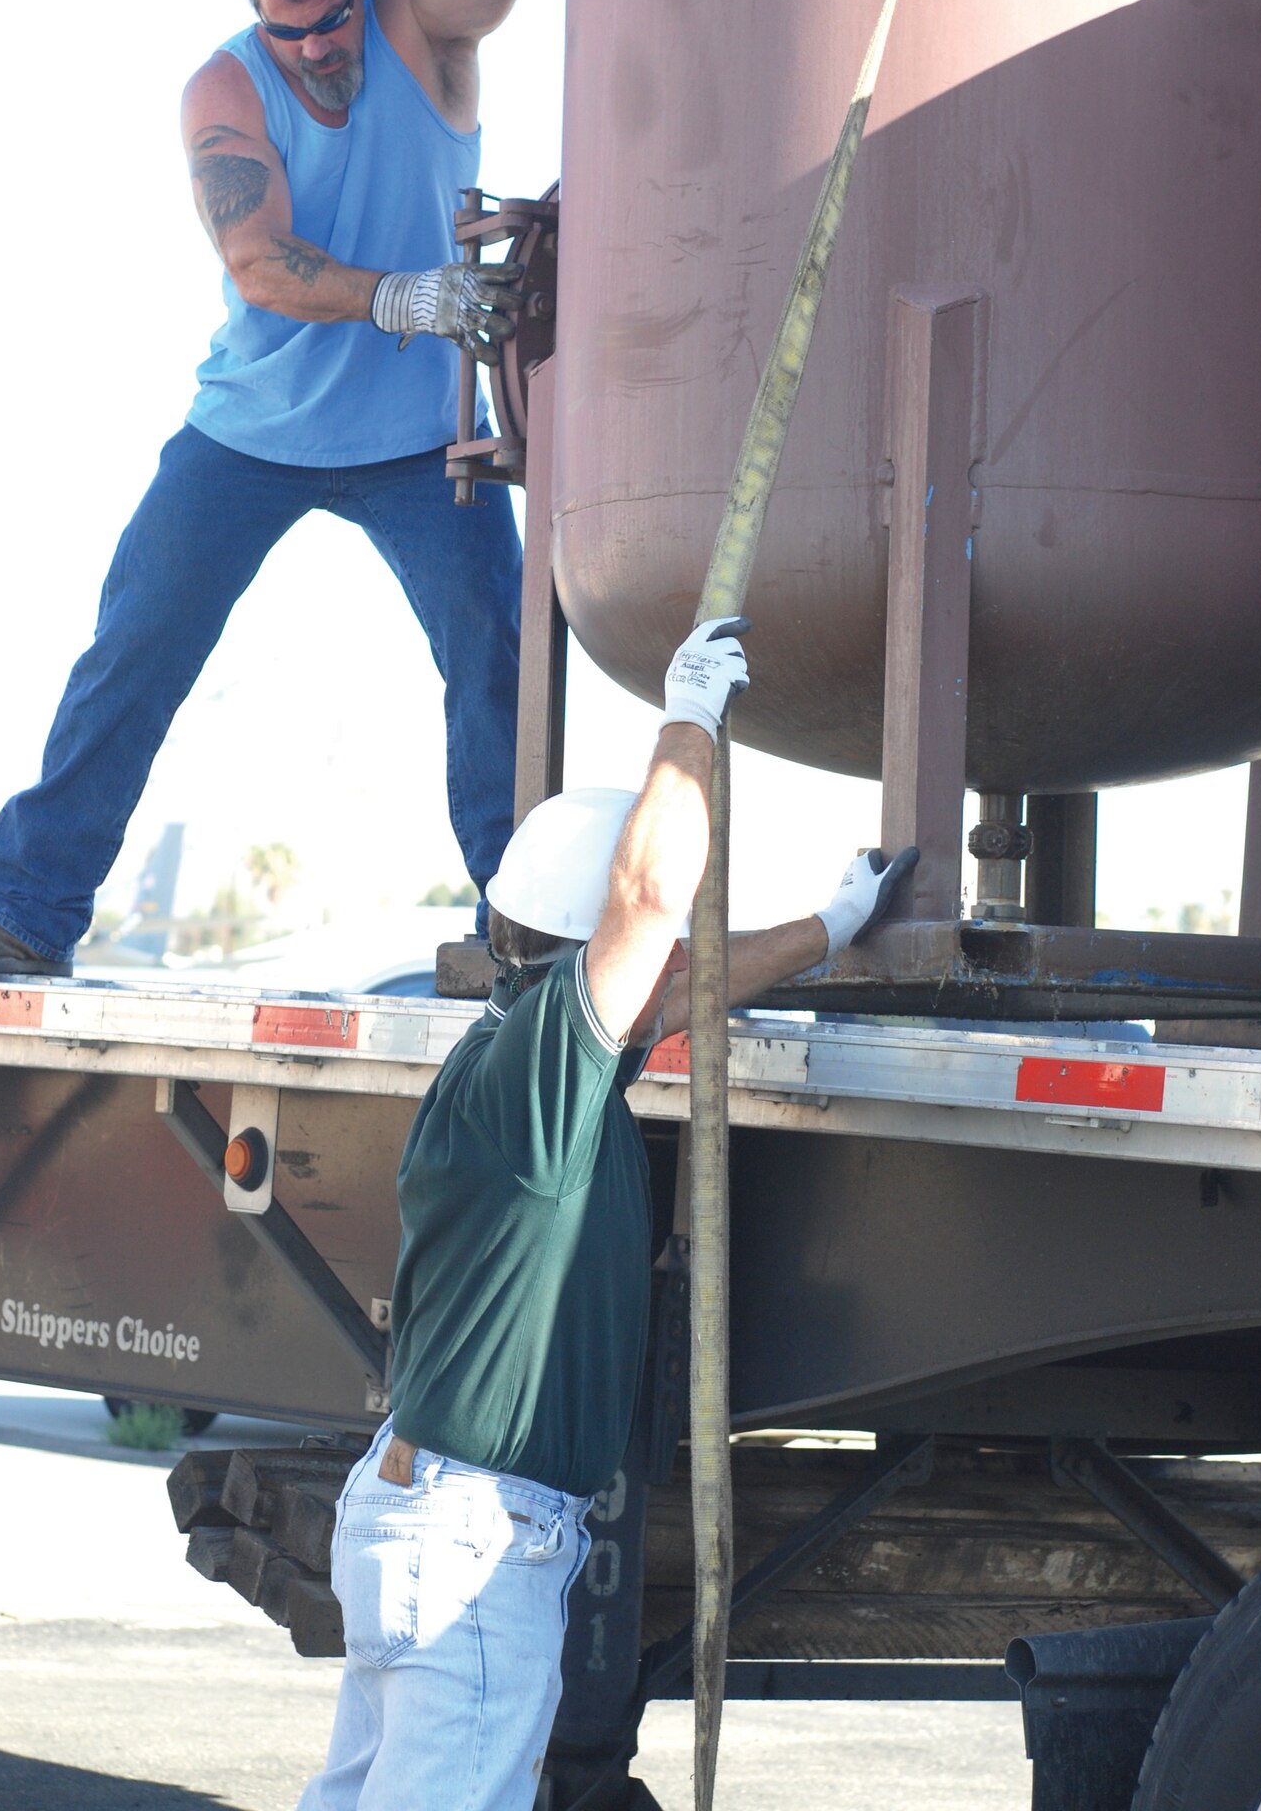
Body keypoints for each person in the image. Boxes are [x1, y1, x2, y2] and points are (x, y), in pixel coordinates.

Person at [300, 619, 916, 1811]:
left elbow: (668, 980)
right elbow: (644, 899)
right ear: (587, 946)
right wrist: (688, 720)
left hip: (421, 1511)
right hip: (473, 1532)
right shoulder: (544, 1067)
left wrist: (824, 930)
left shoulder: (528, 1056)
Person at [0, 0, 528, 980]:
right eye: (283, 30)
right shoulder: (224, 84)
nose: (309, 51)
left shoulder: (423, 30)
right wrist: (404, 294)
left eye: (327, 22)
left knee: (494, 651)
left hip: (418, 438)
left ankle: (520, 928)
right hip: (246, 431)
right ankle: (27, 914)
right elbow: (258, 264)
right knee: (135, 644)